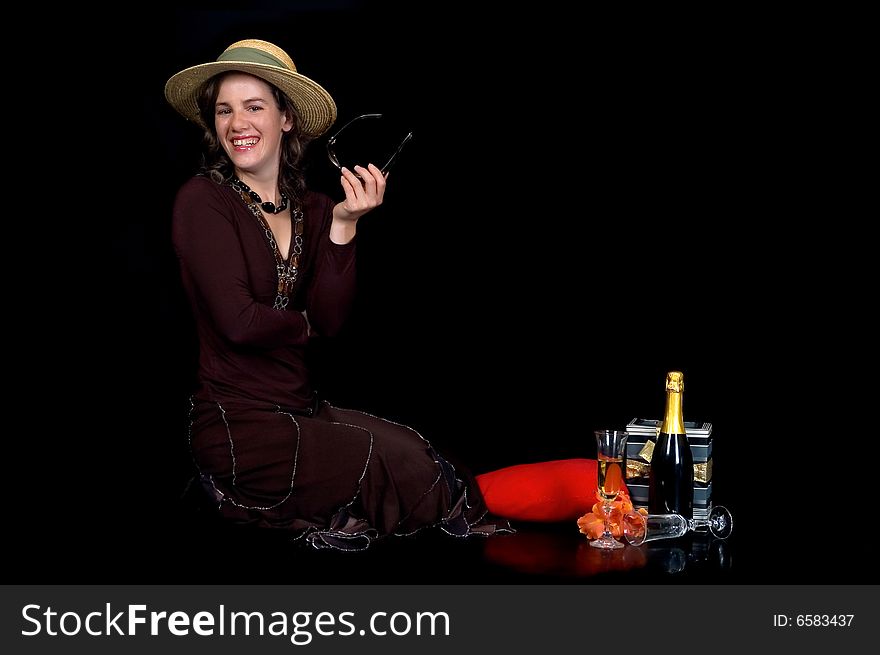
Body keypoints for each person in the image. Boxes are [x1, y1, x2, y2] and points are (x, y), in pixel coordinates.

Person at [165, 39, 609, 551]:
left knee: (415, 451)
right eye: (225, 109)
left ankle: (608, 495)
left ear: (286, 119)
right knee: (379, 457)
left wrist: (346, 225)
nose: (237, 122)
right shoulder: (203, 200)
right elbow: (239, 322)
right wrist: (301, 325)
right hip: (237, 426)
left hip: (301, 410)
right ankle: (583, 498)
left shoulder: (315, 207)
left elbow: (330, 322)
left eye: (254, 106)